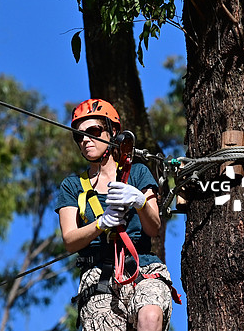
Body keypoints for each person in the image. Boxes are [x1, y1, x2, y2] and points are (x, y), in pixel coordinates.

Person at [55, 99, 175, 331]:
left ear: (112, 133)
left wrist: (140, 202)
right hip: (98, 277)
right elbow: (70, 240)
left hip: (143, 268)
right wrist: (100, 224)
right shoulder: (73, 186)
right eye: (79, 136)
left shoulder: (137, 173)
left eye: (93, 132)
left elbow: (154, 228)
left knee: (150, 317)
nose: (85, 140)